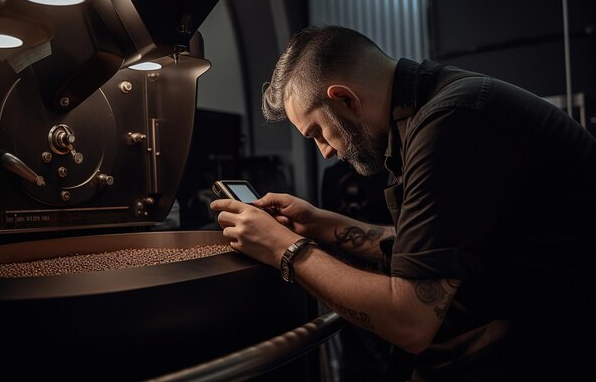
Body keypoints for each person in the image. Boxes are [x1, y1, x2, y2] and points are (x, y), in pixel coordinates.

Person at [210, 26, 596, 382]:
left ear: (344, 98)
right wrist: (320, 224)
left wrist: (284, 248)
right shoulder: (434, 105)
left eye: (318, 133)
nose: (325, 152)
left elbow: (411, 321)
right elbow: (435, 248)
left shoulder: (451, 122)